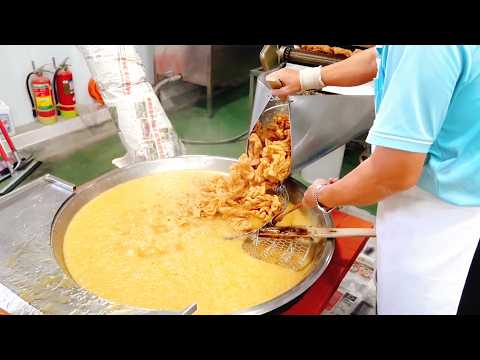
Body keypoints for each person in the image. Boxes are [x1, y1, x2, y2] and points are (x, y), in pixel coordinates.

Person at [268, 45, 480, 315]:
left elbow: (393, 172)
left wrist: (322, 196)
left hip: (439, 225)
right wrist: (305, 79)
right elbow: (378, 57)